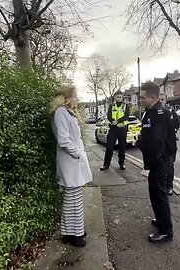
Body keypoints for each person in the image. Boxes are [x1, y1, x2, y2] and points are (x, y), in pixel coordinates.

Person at [50, 85, 93, 247]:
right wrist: (78, 153)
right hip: (70, 161)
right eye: (75, 95)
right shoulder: (61, 112)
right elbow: (63, 139)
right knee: (72, 199)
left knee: (74, 198)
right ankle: (72, 234)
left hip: (73, 161)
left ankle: (74, 231)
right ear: (67, 97)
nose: (77, 98)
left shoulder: (67, 112)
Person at [138, 82, 176, 244]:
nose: (140, 100)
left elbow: (158, 142)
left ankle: (166, 231)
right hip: (157, 162)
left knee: (160, 196)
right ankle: (161, 221)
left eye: (142, 97)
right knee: (155, 194)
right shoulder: (150, 112)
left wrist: (153, 162)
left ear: (153, 97)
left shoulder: (159, 114)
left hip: (160, 162)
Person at [100, 91, 130, 171]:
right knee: (109, 147)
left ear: (122, 97)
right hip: (113, 128)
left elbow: (126, 116)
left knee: (122, 148)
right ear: (115, 97)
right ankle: (106, 164)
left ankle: (121, 164)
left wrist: (118, 121)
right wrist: (113, 121)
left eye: (120, 97)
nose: (119, 98)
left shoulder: (126, 106)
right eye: (117, 97)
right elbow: (109, 116)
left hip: (122, 128)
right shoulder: (111, 106)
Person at [159, 95, 179, 195]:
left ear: (166, 101)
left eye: (162, 100)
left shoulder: (171, 112)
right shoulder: (155, 113)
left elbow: (177, 124)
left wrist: (172, 132)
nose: (161, 101)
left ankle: (169, 186)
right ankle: (162, 185)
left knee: (169, 166)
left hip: (170, 145)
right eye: (159, 100)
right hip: (159, 146)